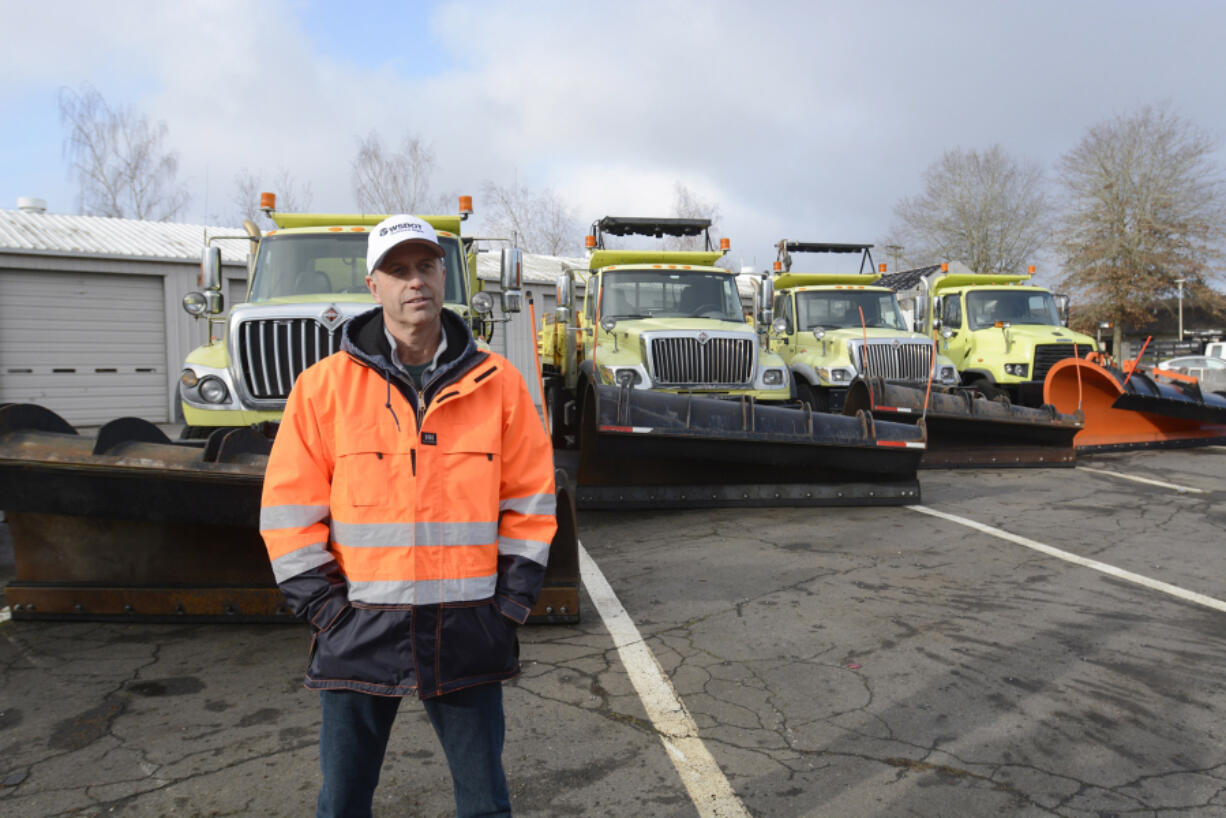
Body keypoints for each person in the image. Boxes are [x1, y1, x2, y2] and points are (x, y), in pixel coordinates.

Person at [259, 213, 557, 818]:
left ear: (443, 274)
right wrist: (326, 612)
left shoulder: (499, 383)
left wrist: (508, 608)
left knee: (485, 804)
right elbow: (289, 511)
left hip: (468, 630)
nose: (413, 281)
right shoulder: (322, 389)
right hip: (357, 634)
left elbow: (530, 502)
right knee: (341, 803)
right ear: (374, 286)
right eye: (398, 270)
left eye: (425, 266)